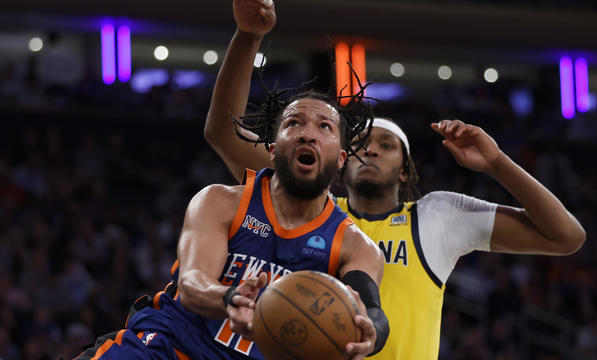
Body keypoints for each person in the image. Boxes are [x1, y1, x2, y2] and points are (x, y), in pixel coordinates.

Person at [203, 1, 587, 359]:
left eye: (386, 145)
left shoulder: (437, 216)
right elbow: (224, 133)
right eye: (362, 145)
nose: (370, 150)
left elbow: (565, 237)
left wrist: (497, 163)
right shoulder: (307, 204)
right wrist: (248, 36)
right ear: (340, 160)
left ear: (405, 169)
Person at [74, 9, 391, 360]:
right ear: (272, 148)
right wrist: (229, 298)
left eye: (324, 127)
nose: (307, 134)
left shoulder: (355, 245)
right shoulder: (221, 200)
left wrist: (370, 333)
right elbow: (192, 283)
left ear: (342, 158)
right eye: (294, 123)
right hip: (166, 348)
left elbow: (374, 312)